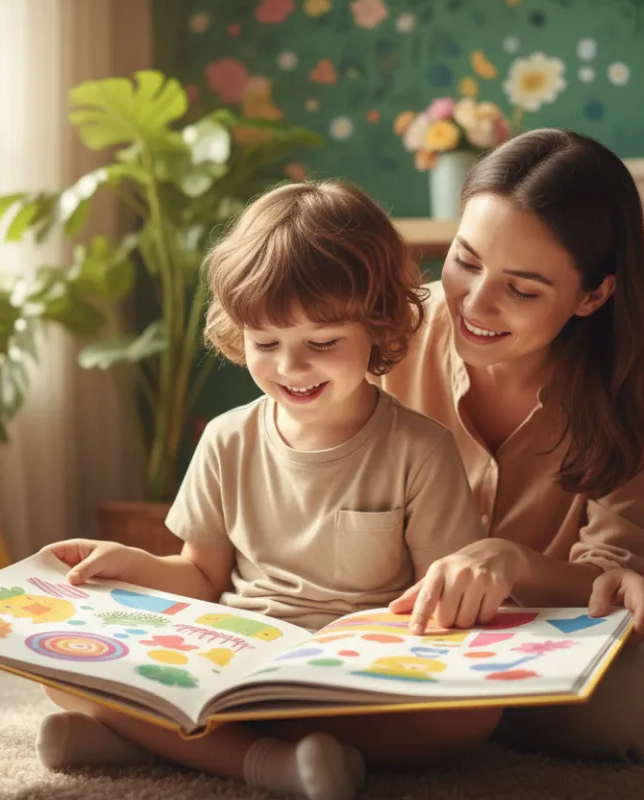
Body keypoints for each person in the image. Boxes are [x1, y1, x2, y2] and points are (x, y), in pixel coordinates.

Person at [34, 180, 500, 800]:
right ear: (240, 334)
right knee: (59, 664)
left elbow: (437, 599)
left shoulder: (421, 449)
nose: (290, 367)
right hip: (236, 662)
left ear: (379, 327)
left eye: (322, 343)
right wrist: (134, 566)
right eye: (266, 344)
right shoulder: (227, 439)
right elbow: (202, 575)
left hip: (355, 677)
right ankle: (266, 764)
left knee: (475, 718)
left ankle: (161, 744)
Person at [375, 128, 644, 762]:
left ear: (594, 294)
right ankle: (454, 718)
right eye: (465, 260)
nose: (475, 302)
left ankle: (435, 721)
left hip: (563, 630)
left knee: (622, 713)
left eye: (522, 289)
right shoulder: (394, 333)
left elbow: (617, 576)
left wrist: (513, 563)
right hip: (405, 626)